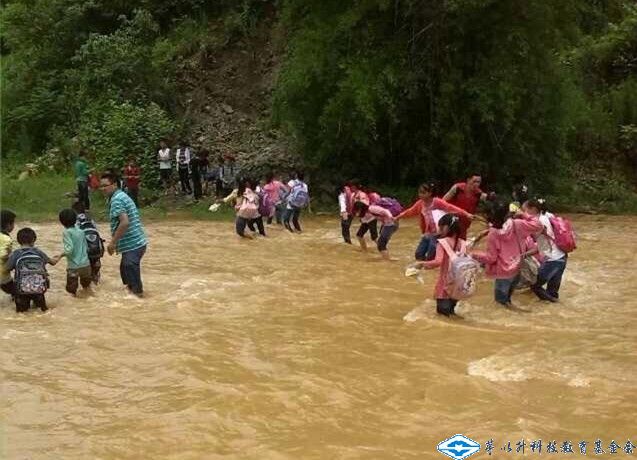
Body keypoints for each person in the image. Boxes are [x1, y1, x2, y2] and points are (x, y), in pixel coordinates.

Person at [471, 202, 542, 307]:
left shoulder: (493, 233)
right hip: (516, 269)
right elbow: (538, 225)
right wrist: (523, 214)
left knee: (500, 305)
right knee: (508, 302)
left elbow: (491, 258)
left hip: (503, 273)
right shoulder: (518, 224)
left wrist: (473, 255)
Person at [396, 183, 477, 261]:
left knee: (431, 256)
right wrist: (397, 217)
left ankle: (432, 268)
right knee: (419, 255)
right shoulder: (420, 204)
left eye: (423, 193)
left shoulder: (437, 202)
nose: (420, 195)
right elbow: (410, 212)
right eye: (420, 192)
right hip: (427, 233)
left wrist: (466, 214)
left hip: (438, 234)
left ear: (430, 193)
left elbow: (451, 208)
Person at [100, 173, 148, 297]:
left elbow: (125, 222)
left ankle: (139, 300)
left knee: (133, 282)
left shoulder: (117, 200)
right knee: (125, 274)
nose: (103, 189)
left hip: (133, 245)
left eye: (106, 185)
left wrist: (113, 243)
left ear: (115, 185)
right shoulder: (120, 196)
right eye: (101, 186)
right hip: (136, 243)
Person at [415, 214, 466, 316]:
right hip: (458, 285)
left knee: (443, 316)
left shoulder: (442, 242)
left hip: (445, 285)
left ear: (446, 227)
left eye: (441, 226)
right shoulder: (463, 243)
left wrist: (422, 264)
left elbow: (438, 261)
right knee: (452, 313)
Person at [523, 198, 568, 302]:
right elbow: (541, 247)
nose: (525, 213)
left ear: (533, 209)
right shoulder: (547, 216)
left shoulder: (539, 221)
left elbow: (534, 236)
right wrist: (525, 254)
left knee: (535, 286)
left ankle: (557, 305)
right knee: (552, 293)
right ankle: (556, 309)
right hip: (561, 257)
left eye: (525, 210)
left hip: (553, 260)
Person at [6, 228, 59, 312]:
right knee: (42, 312)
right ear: (34, 239)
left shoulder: (16, 253)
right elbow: (52, 262)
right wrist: (58, 257)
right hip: (38, 289)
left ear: (18, 241)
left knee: (21, 314)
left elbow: (7, 268)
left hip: (21, 290)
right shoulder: (38, 252)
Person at [442, 173, 490, 239]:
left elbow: (488, 201)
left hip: (465, 221)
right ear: (468, 180)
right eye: (474, 181)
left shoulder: (479, 194)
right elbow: (443, 201)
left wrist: (491, 197)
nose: (476, 184)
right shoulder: (457, 188)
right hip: (452, 218)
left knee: (461, 240)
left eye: (478, 182)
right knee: (447, 238)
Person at [57, 208, 92, 296]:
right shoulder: (81, 231)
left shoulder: (67, 232)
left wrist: (60, 255)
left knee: (71, 291)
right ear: (75, 219)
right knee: (87, 288)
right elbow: (87, 248)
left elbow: (69, 249)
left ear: (62, 222)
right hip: (86, 265)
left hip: (74, 266)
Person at [72, 201, 104, 284]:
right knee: (95, 262)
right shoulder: (90, 219)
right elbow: (96, 231)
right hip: (97, 248)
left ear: (74, 211)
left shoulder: (75, 221)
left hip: (85, 250)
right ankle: (95, 273)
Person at [0, 209, 17, 297]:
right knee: (17, 292)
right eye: (13, 223)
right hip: (2, 275)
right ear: (8, 224)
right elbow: (3, 255)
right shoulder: (7, 239)